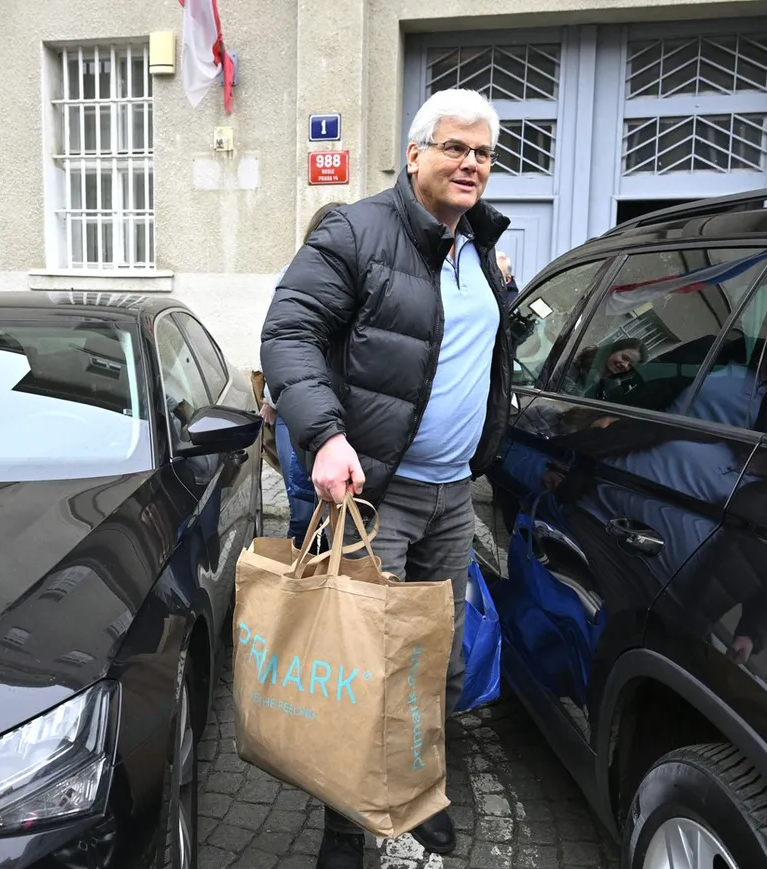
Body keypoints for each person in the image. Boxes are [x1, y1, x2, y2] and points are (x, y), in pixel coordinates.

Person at [260, 88, 512, 869]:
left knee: (437, 663)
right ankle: (343, 832)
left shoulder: (479, 246)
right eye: (454, 147)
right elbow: (289, 331)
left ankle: (418, 790)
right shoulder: (355, 231)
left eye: (483, 153)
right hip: (375, 498)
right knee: (359, 669)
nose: (471, 164)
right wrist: (326, 436)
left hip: (452, 497)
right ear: (414, 154)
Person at [259, 202, 347, 550]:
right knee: (302, 507)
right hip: (296, 405)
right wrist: (270, 398)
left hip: (340, 407)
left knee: (337, 510)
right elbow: (279, 339)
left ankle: (327, 572)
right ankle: (301, 575)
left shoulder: (363, 275)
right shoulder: (293, 274)